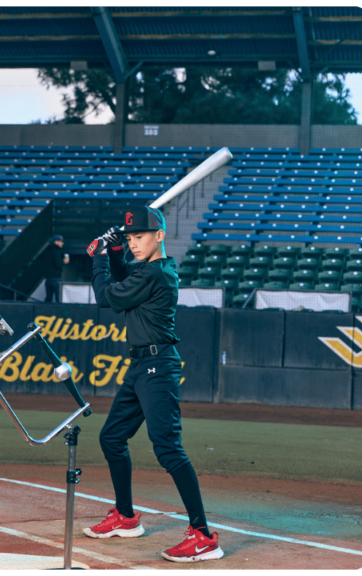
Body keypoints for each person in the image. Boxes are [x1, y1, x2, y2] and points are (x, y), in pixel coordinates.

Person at [83, 206, 223, 563]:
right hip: (141, 366)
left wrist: (99, 257)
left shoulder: (157, 273)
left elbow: (108, 296)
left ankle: (204, 535)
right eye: (129, 238)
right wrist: (113, 251)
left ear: (160, 236)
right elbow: (123, 273)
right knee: (111, 438)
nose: (134, 243)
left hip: (158, 367)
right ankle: (126, 518)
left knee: (167, 448)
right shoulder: (147, 269)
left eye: (139, 237)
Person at [44, 235, 69, 303]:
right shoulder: (57, 251)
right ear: (56, 242)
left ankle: (45, 312)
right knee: (59, 299)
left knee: (48, 299)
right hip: (56, 279)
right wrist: (64, 261)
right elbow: (58, 264)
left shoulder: (47, 251)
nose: (62, 243)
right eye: (61, 242)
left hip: (48, 279)